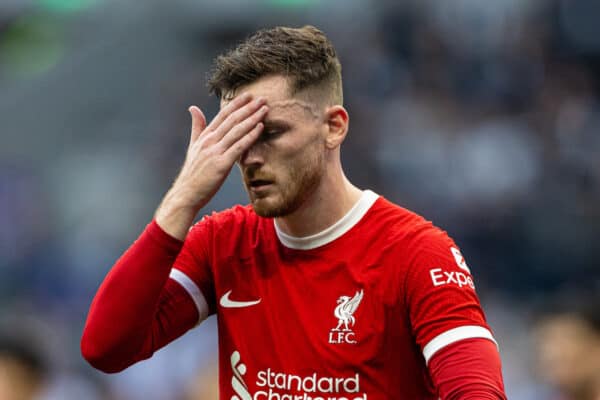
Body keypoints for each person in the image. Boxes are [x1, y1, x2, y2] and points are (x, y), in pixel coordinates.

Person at [81, 25, 506, 399]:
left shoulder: (416, 252)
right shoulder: (223, 242)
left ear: (334, 126)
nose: (249, 156)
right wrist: (183, 199)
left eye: (270, 132)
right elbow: (107, 348)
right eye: (237, 136)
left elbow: (477, 391)